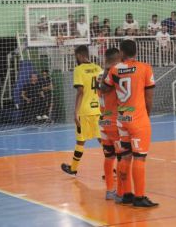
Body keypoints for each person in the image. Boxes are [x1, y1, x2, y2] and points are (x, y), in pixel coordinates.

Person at [101, 39, 158, 207]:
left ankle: (126, 194)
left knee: (124, 157)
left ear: (122, 53)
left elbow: (103, 89)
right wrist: (147, 115)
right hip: (138, 119)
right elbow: (149, 96)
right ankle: (139, 197)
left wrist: (107, 69)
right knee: (139, 158)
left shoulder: (114, 70)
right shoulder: (145, 68)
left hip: (122, 119)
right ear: (136, 51)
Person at [61, 45, 102, 176]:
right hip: (98, 109)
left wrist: (75, 112)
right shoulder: (98, 68)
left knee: (80, 140)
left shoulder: (78, 69)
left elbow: (80, 91)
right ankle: (116, 167)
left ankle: (73, 168)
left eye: (75, 56)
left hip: (84, 110)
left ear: (79, 55)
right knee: (103, 140)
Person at [97, 48, 127, 200]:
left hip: (103, 121)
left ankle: (110, 190)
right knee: (122, 158)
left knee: (109, 157)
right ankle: (121, 193)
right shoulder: (116, 75)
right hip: (115, 122)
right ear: (117, 59)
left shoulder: (99, 75)